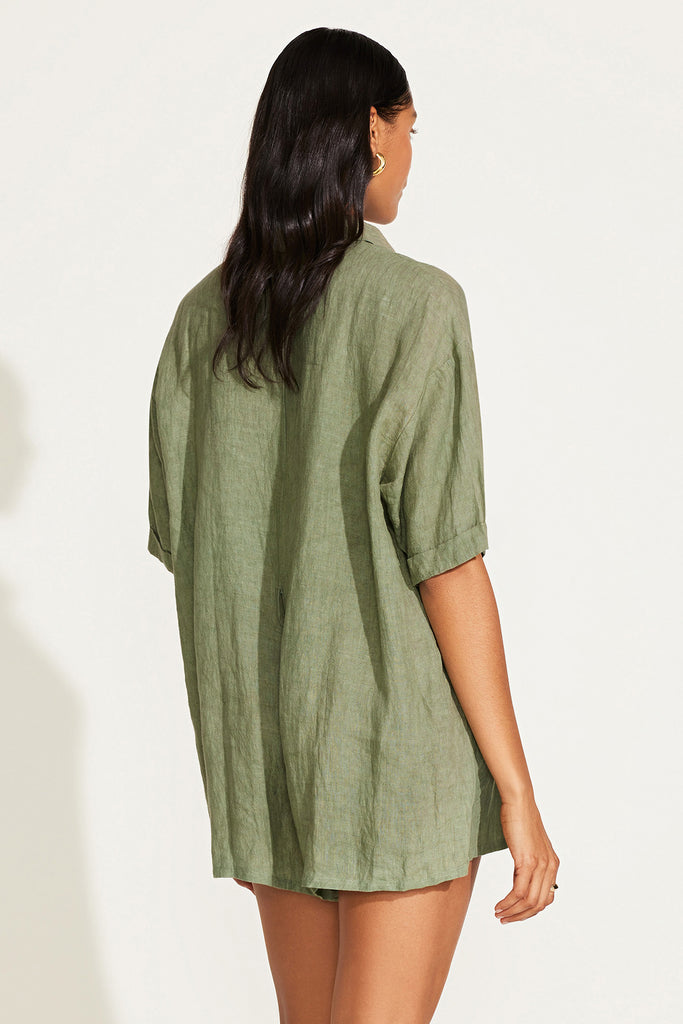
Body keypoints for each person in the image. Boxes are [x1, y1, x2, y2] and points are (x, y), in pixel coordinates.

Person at [147, 26, 560, 1024]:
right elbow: (446, 561)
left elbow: (186, 543)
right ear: (372, 131)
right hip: (391, 756)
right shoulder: (415, 306)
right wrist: (516, 789)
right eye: (411, 130)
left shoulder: (202, 322)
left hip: (269, 764)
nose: (411, 157)